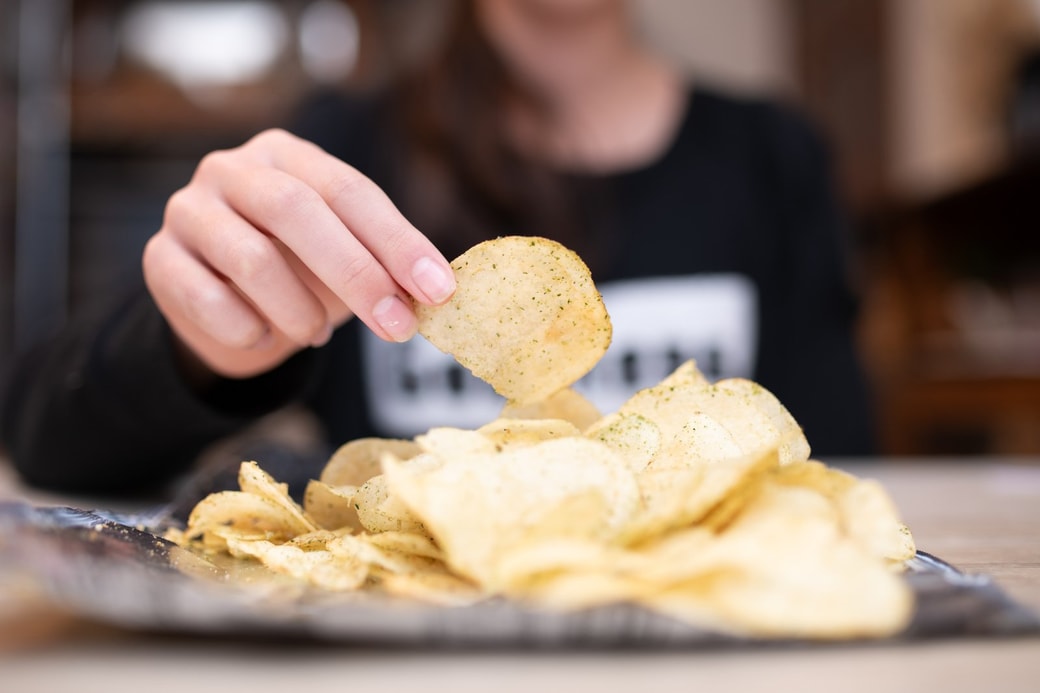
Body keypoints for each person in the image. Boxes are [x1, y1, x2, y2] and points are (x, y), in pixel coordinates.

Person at [1, 0, 876, 495]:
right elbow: (45, 438)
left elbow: (842, 462)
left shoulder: (774, 158)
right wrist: (200, 345)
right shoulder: (344, 151)